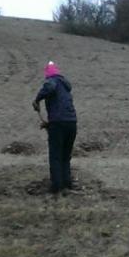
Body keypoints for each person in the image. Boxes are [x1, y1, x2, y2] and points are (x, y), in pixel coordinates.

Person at [33, 61, 77, 193]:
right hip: (72, 123)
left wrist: (37, 99)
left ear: (48, 74)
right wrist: (48, 123)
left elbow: (50, 88)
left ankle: (57, 186)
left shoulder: (52, 81)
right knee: (65, 155)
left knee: (55, 155)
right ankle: (67, 183)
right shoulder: (65, 86)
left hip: (58, 124)